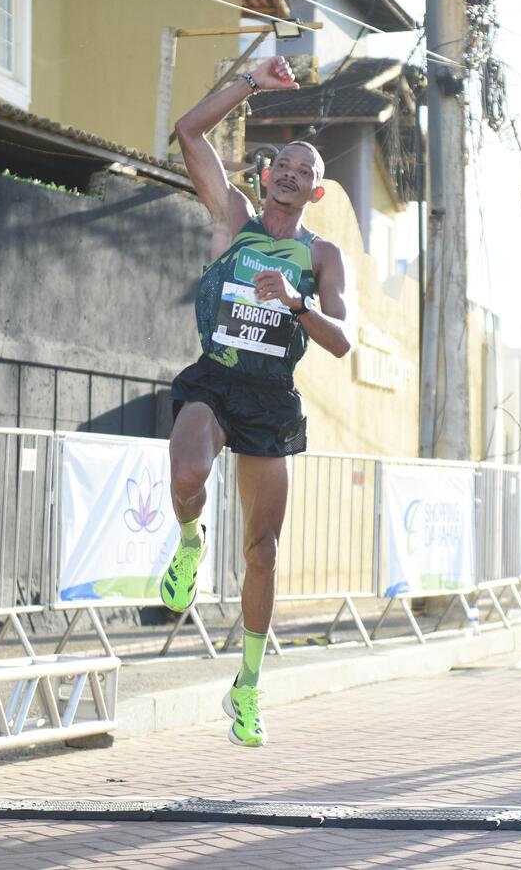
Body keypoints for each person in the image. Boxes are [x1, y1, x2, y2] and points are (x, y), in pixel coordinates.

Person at [158, 57, 351, 748]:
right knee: (186, 474)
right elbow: (187, 131)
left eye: (307, 170)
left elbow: (342, 342)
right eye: (285, 164)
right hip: (216, 378)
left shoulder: (321, 256)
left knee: (263, 552)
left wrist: (295, 302)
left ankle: (246, 685)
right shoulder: (231, 216)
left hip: (272, 396)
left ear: (317, 191)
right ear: (265, 174)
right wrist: (249, 84)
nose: (293, 174)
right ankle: (187, 542)